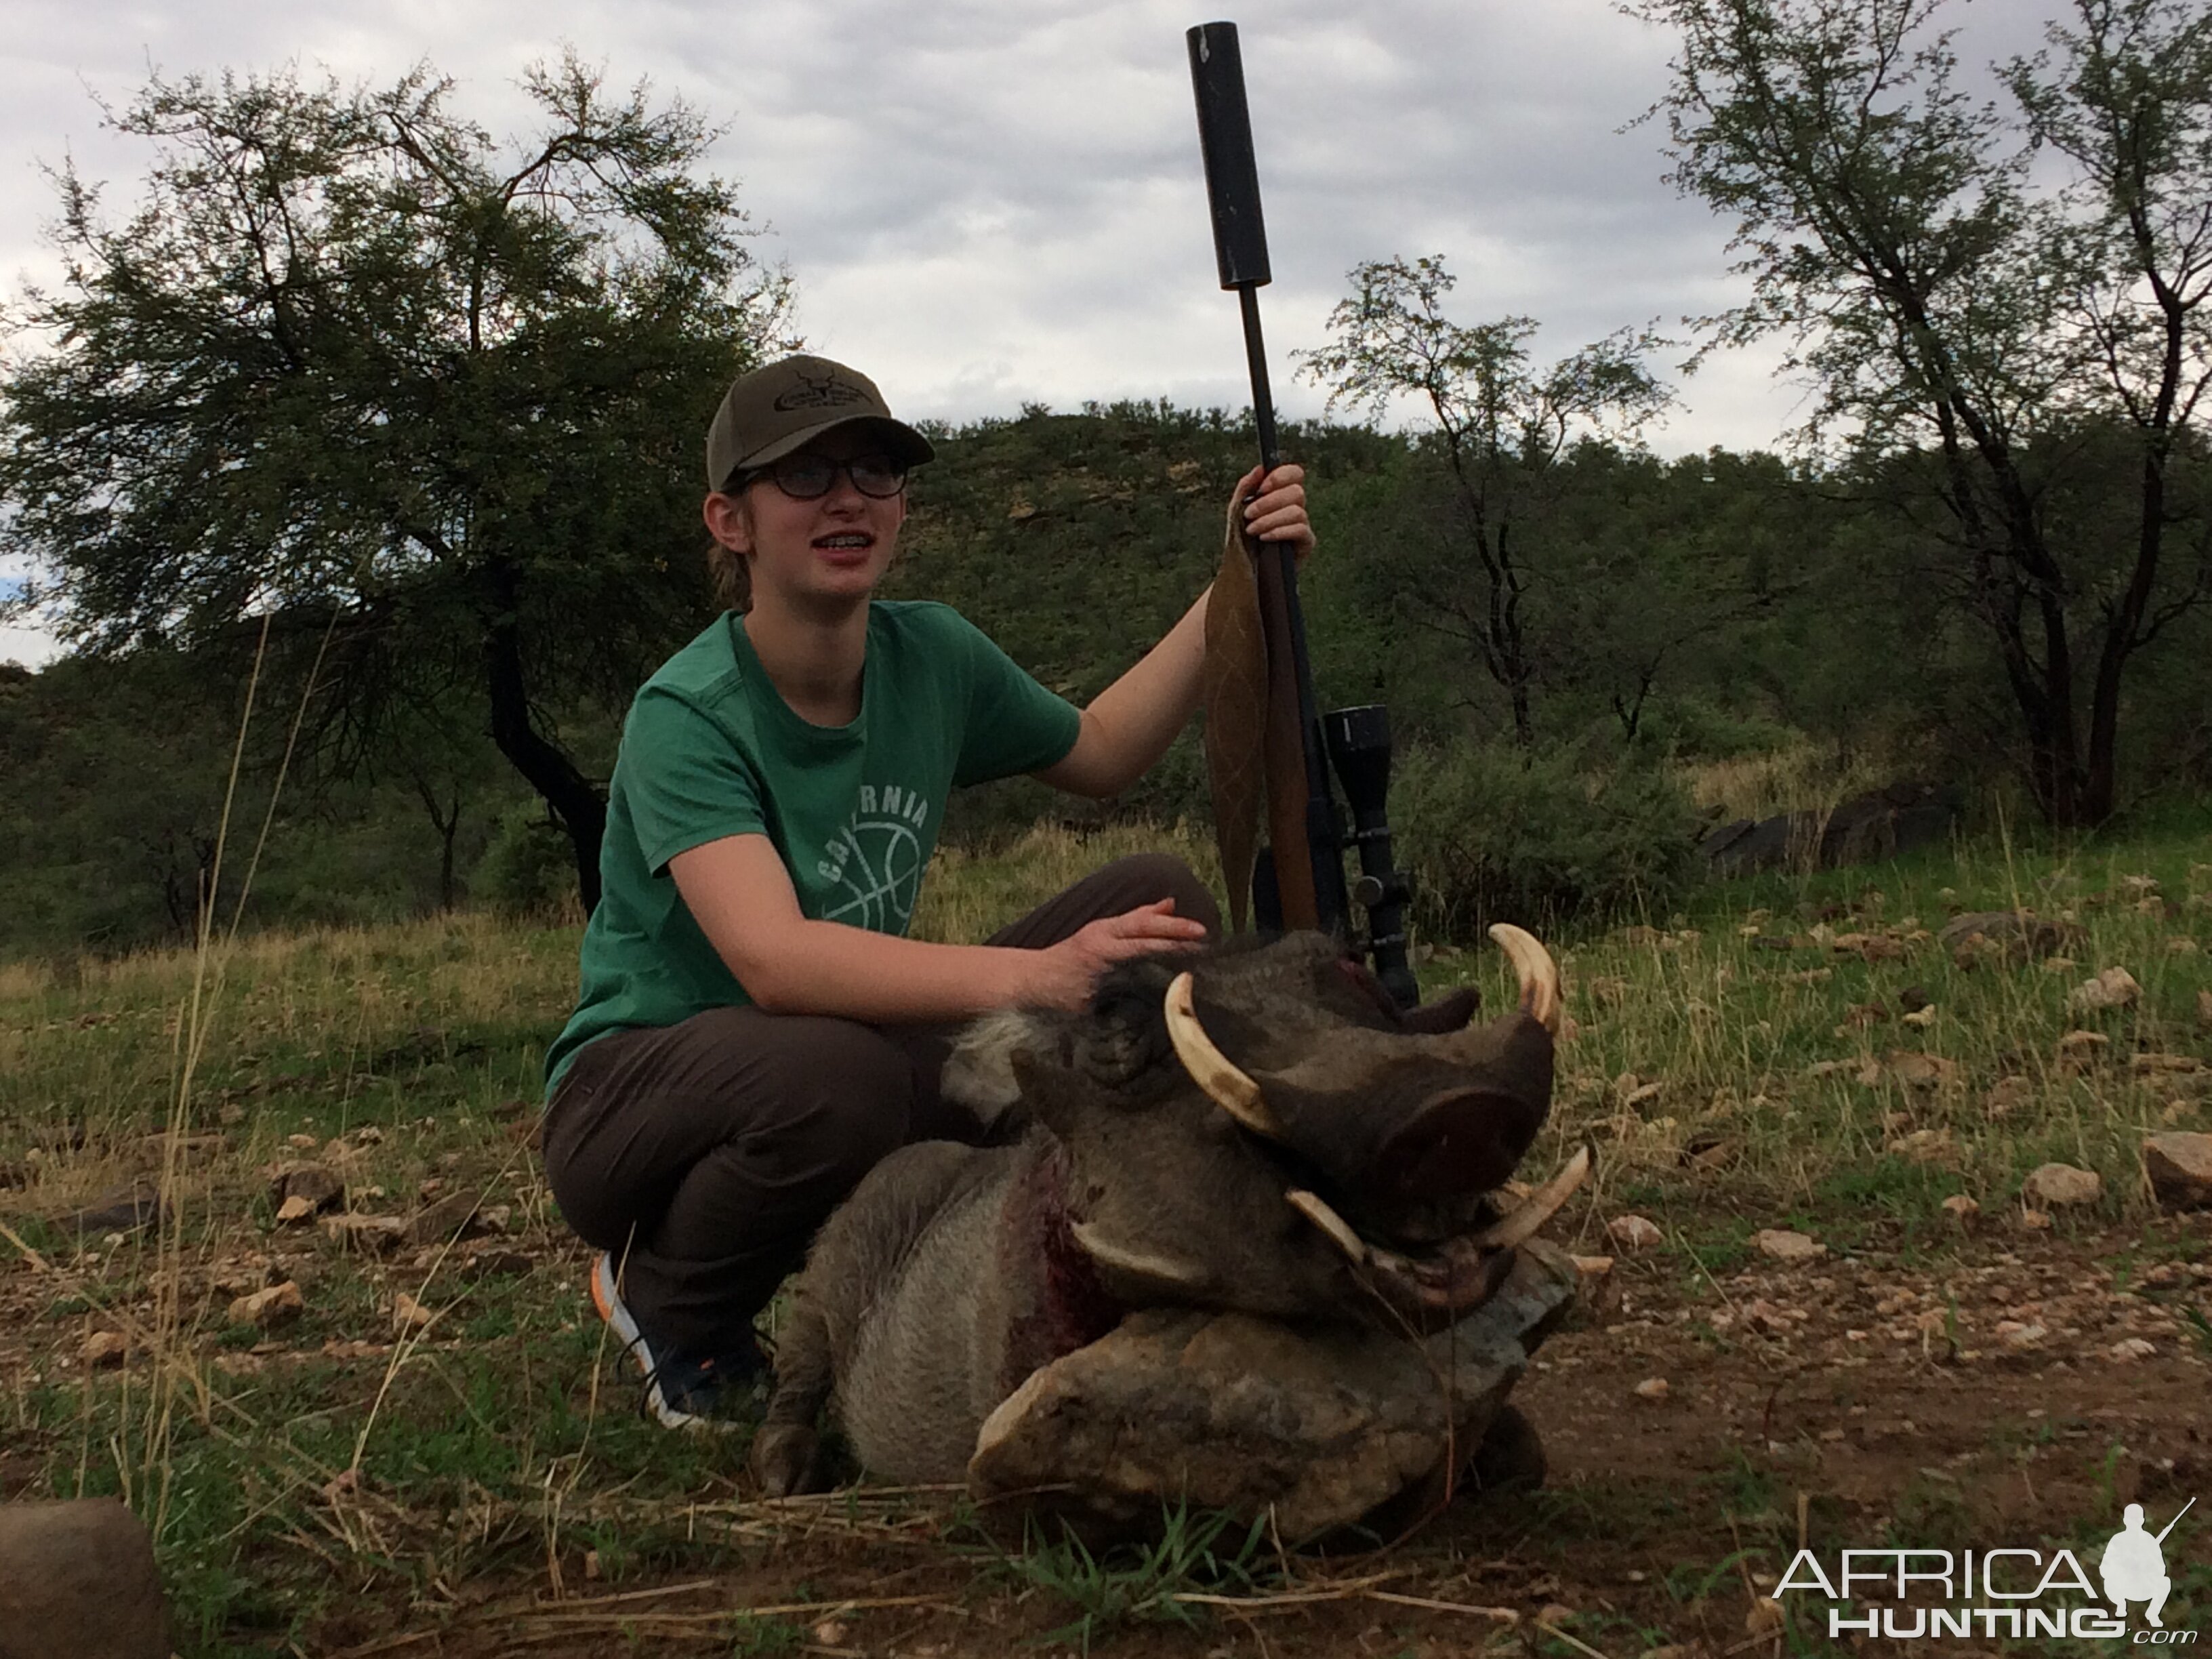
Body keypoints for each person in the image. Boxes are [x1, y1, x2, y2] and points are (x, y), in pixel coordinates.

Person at [540, 353, 1313, 1427]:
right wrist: (1041, 977)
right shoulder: (689, 712)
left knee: (1158, 904)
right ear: (732, 522)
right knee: (839, 1077)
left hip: (841, 1047)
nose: (849, 497)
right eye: (804, 477)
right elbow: (774, 961)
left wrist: (1235, 580)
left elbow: (1100, 751)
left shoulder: (932, 653)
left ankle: (1084, 1264)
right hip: (636, 1105)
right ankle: (670, 1303)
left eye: (875, 470)